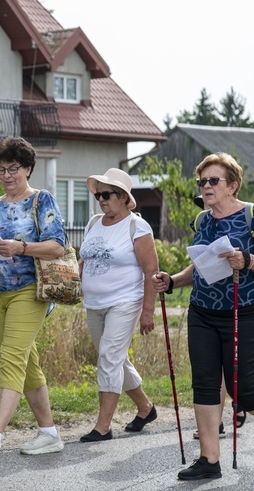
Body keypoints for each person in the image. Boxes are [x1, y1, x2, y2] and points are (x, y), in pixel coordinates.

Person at [153, 152, 254, 480]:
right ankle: (209, 460)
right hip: (202, 310)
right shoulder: (203, 220)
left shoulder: (253, 215)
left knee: (242, 389)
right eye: (202, 181)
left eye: (213, 180)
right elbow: (200, 265)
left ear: (232, 185)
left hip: (242, 311)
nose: (205, 186)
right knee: (204, 383)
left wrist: (247, 259)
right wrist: (173, 280)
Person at [0, 136, 66, 465]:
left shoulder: (42, 200)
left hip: (30, 290)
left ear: (28, 169)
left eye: (13, 168)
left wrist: (19, 247)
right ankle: (49, 433)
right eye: (1, 169)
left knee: (11, 358)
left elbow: (57, 247)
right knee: (27, 363)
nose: (6, 175)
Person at [77, 168, 159, 442]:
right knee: (114, 358)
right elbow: (85, 259)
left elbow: (151, 271)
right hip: (94, 303)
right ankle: (145, 408)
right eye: (98, 194)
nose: (101, 199)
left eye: (107, 194)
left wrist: (148, 311)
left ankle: (103, 426)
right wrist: (72, 280)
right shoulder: (93, 223)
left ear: (124, 197)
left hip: (125, 301)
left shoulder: (137, 227)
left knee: (109, 358)